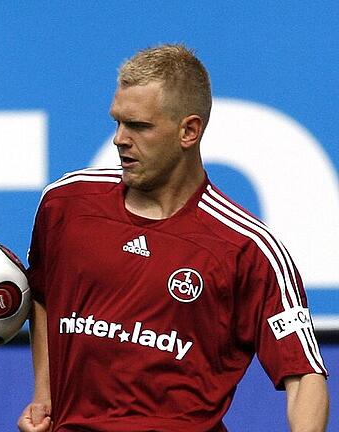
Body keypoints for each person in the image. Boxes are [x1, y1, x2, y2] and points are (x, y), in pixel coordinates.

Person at [17, 44, 329, 432]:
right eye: (117, 122)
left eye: (139, 126)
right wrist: (44, 396)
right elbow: (43, 295)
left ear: (189, 131)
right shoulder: (65, 205)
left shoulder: (247, 248)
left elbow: (305, 378)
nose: (119, 139)